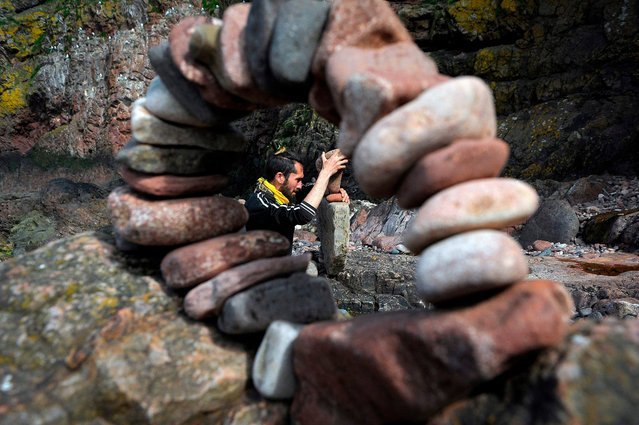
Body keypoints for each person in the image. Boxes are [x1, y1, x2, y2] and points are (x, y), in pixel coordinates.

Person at [245, 150, 349, 251]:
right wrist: (325, 173)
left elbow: (309, 192)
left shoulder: (283, 194)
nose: (300, 185)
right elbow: (302, 214)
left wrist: (331, 188)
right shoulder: (260, 205)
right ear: (280, 177)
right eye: (298, 180)